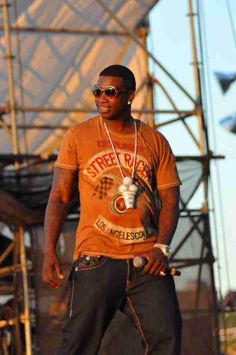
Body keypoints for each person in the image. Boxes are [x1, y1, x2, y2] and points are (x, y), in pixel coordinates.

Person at [42, 64, 182, 355]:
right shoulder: (78, 136)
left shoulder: (155, 141)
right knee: (78, 345)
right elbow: (59, 196)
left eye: (110, 92)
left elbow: (170, 199)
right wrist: (49, 250)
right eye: (97, 91)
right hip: (97, 258)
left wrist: (162, 248)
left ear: (129, 96)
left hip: (147, 261)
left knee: (166, 340)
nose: (101, 98)